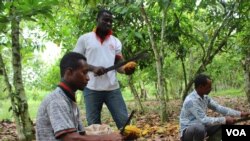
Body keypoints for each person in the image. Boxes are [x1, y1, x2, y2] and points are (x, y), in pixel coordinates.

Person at [36, 52, 123, 141]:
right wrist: (105, 138)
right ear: (69, 73)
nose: (88, 78)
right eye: (84, 73)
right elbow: (69, 138)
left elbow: (80, 134)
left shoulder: (69, 100)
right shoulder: (57, 100)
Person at [73, 9, 136, 129]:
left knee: (124, 123)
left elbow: (118, 64)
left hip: (112, 88)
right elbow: (75, 60)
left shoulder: (115, 41)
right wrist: (93, 68)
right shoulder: (85, 39)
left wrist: (125, 69)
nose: (108, 23)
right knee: (94, 125)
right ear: (97, 20)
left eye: (110, 21)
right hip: (91, 88)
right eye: (105, 20)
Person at [179, 74, 250, 141]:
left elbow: (219, 108)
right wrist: (224, 119)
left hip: (203, 127)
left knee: (226, 124)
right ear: (200, 87)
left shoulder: (205, 98)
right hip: (189, 132)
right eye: (208, 87)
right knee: (198, 128)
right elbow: (203, 120)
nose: (211, 89)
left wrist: (240, 114)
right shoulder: (191, 100)